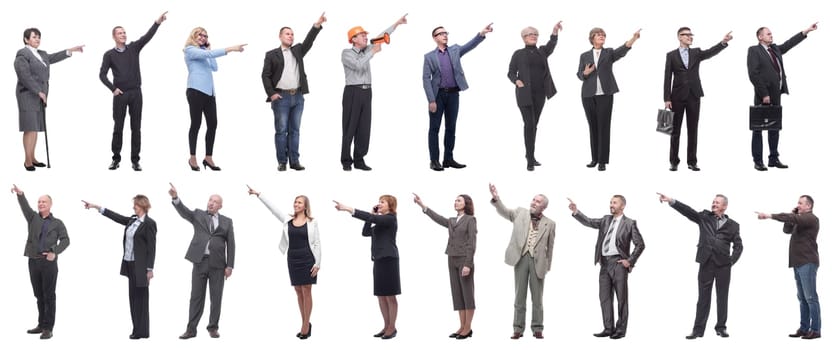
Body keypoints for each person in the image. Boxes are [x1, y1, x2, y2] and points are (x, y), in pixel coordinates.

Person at [657, 193, 742, 339]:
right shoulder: (704, 217)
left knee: (722, 297)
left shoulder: (734, 225)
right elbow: (688, 211)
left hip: (723, 266)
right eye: (713, 202)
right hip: (706, 262)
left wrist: (730, 261)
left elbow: (739, 246)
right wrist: (672, 201)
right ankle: (698, 330)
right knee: (703, 298)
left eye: (717, 203)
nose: (714, 204)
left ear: (724, 206)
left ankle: (721, 327)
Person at [248, 186, 321, 339]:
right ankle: (305, 322)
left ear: (305, 206)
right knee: (298, 291)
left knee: (306, 290)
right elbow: (273, 209)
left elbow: (317, 243)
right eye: (295, 202)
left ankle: (305, 325)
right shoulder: (288, 219)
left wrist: (318, 263)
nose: (296, 204)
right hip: (293, 259)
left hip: (308, 259)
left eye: (300, 202)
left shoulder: (312, 222)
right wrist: (259, 194)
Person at [99, 11, 168, 171]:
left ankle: (135, 160)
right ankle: (115, 159)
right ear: (114, 37)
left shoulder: (134, 48)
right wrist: (113, 88)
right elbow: (102, 75)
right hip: (120, 95)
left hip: (136, 93)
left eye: (124, 32)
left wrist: (157, 22)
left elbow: (147, 37)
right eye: (119, 33)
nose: (123, 35)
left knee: (136, 127)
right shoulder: (109, 55)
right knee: (118, 127)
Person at [568, 195, 645, 339]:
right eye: (610, 202)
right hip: (604, 263)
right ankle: (608, 328)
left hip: (619, 264)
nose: (611, 205)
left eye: (614, 203)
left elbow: (640, 244)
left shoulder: (629, 223)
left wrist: (630, 260)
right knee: (604, 298)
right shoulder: (605, 219)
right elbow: (589, 222)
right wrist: (576, 211)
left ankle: (620, 330)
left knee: (621, 299)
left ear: (622, 206)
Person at [82, 195, 157, 339]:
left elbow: (152, 248)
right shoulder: (132, 220)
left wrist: (150, 269)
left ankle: (141, 331)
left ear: (142, 205)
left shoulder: (149, 223)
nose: (133, 207)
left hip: (140, 267)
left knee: (141, 299)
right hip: (129, 264)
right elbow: (115, 217)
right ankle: (137, 329)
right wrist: (96, 207)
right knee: (133, 298)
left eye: (135, 204)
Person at [168, 183, 236, 339]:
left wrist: (230, 265)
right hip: (200, 262)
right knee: (196, 296)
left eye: (215, 201)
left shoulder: (227, 221)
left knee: (216, 297)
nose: (211, 203)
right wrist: (175, 198)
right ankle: (191, 329)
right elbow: (184, 212)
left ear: (220, 206)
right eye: (210, 200)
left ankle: (213, 327)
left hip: (218, 265)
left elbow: (231, 244)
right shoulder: (198, 214)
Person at [746, 23, 818, 171]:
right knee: (758, 129)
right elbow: (753, 74)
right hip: (763, 96)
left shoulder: (775, 49)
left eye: (771, 33)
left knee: (775, 127)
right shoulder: (754, 50)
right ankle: (758, 161)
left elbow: (789, 44)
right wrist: (764, 93)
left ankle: (773, 158)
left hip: (776, 94)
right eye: (768, 34)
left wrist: (806, 31)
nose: (771, 35)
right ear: (760, 37)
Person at [340, 15, 407, 171]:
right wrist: (372, 53)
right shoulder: (346, 53)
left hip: (367, 92)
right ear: (353, 39)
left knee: (364, 127)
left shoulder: (368, 49)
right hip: (352, 92)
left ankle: (359, 159)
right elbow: (357, 66)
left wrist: (396, 24)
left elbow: (381, 37)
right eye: (362, 35)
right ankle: (346, 161)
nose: (366, 37)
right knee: (350, 127)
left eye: (366, 35)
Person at [489, 183, 556, 339]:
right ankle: (518, 328)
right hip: (521, 258)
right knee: (519, 295)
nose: (534, 202)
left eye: (538, 201)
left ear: (544, 207)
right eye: (533, 199)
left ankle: (537, 328)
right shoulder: (520, 213)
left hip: (538, 262)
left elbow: (550, 247)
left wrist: (548, 266)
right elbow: (504, 212)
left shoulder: (550, 223)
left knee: (537, 298)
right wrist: (496, 198)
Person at [422, 23, 492, 171]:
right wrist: (431, 100)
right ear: (435, 38)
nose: (445, 35)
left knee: (451, 128)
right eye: (441, 33)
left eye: (446, 33)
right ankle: (434, 160)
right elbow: (425, 78)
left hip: (454, 94)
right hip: (438, 95)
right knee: (434, 128)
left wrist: (481, 34)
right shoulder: (429, 57)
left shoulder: (454, 50)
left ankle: (448, 159)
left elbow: (470, 45)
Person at [261, 13, 326, 172]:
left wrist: (316, 25)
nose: (290, 36)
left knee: (295, 130)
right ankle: (282, 161)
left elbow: (309, 41)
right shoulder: (271, 54)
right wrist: (272, 94)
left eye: (292, 34)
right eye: (287, 34)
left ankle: (294, 161)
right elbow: (265, 75)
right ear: (280, 36)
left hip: (297, 96)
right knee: (281, 131)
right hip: (281, 97)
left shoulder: (298, 50)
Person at [14, 29, 83, 171]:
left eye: (39, 37)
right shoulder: (23, 54)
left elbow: (53, 57)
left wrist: (71, 50)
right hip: (28, 94)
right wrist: (38, 91)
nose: (37, 39)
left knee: (36, 128)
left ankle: (32, 158)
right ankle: (27, 161)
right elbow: (24, 75)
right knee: (30, 127)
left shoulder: (41, 54)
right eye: (34, 37)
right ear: (26, 39)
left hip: (40, 95)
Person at [663, 28, 732, 171]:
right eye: (686, 35)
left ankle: (692, 161)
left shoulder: (696, 52)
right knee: (674, 131)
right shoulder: (671, 55)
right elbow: (667, 77)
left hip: (694, 95)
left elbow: (710, 52)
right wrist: (666, 98)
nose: (690, 37)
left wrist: (723, 43)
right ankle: (674, 161)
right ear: (679, 37)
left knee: (693, 130)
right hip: (676, 97)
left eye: (691, 35)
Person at [334, 195, 400, 339]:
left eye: (382, 202)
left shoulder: (390, 219)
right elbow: (365, 232)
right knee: (381, 295)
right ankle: (386, 325)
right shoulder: (379, 222)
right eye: (379, 202)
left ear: (390, 205)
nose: (379, 204)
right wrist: (371, 215)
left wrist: (348, 209)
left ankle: (392, 327)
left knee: (390, 295)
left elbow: (374, 220)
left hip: (389, 259)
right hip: (378, 260)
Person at [755, 195, 821, 340]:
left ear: (808, 206)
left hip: (807, 262)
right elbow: (786, 230)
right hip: (797, 262)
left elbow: (792, 219)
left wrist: (769, 216)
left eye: (800, 203)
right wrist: (793, 216)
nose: (798, 205)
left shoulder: (811, 218)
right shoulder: (799, 219)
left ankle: (815, 330)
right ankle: (804, 328)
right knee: (802, 298)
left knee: (810, 297)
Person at [412, 193, 477, 339]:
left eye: (459, 200)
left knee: (467, 294)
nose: (455, 202)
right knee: (457, 294)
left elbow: (472, 242)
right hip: (451, 258)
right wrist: (422, 206)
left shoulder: (470, 220)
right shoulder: (452, 220)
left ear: (466, 203)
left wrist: (468, 264)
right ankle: (461, 326)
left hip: (464, 260)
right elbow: (438, 218)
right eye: (455, 200)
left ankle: (468, 328)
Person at [11, 184, 70, 340]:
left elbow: (66, 240)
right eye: (39, 202)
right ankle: (41, 324)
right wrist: (20, 194)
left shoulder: (58, 223)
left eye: (44, 202)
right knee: (38, 295)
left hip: (49, 263)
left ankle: (48, 328)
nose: (41, 204)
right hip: (33, 261)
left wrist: (54, 252)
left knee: (49, 295)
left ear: (50, 205)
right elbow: (25, 207)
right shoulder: (33, 218)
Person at [183, 27, 246, 171]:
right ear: (194, 36)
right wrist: (231, 49)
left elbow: (214, 67)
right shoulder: (190, 50)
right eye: (200, 35)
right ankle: (192, 157)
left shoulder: (204, 53)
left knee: (213, 123)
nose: (203, 38)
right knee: (196, 123)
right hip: (195, 90)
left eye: (205, 36)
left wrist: (208, 50)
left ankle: (208, 157)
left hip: (209, 93)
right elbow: (211, 55)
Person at [577, 28, 640, 171]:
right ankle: (594, 159)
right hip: (588, 95)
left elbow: (622, 50)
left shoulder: (609, 53)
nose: (602, 36)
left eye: (604, 35)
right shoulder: (584, 55)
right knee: (592, 127)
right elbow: (579, 74)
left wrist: (634, 38)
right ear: (592, 37)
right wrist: (585, 73)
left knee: (604, 127)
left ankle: (602, 161)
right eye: (599, 35)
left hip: (605, 94)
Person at [507, 22, 561, 171]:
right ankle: (530, 160)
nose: (534, 37)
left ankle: (530, 155)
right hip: (524, 94)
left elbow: (552, 44)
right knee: (529, 124)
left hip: (540, 94)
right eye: (530, 35)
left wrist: (555, 31)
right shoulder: (518, 53)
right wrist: (516, 81)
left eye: (536, 34)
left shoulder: (542, 52)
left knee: (534, 125)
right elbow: (510, 72)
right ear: (524, 38)